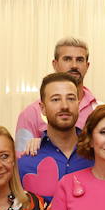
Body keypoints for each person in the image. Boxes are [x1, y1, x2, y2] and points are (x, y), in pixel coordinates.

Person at [17, 72, 93, 202]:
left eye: (71, 98)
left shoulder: (96, 155)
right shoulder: (26, 162)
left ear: (78, 105)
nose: (64, 106)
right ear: (43, 108)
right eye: (55, 99)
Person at [15, 37, 99, 145]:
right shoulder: (30, 114)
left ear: (87, 66)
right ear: (55, 64)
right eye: (67, 59)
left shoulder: (99, 110)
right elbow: (22, 158)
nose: (74, 65)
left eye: (79, 60)